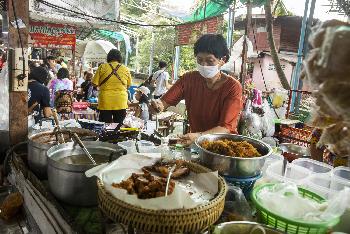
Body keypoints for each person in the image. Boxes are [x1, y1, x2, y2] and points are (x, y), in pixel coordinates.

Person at [151, 34, 243, 146]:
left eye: (210, 61)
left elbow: (225, 128)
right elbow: (164, 103)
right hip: (197, 144)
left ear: (222, 60)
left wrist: (199, 136)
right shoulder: (188, 79)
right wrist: (157, 106)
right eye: (199, 60)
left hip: (223, 146)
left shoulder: (232, 87)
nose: (204, 65)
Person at [92, 49, 132, 123]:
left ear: (109, 57)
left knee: (105, 125)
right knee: (119, 125)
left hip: (105, 100)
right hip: (120, 100)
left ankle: (106, 134)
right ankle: (117, 134)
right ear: (120, 57)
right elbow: (128, 86)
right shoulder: (125, 69)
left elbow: (94, 83)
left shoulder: (102, 67)